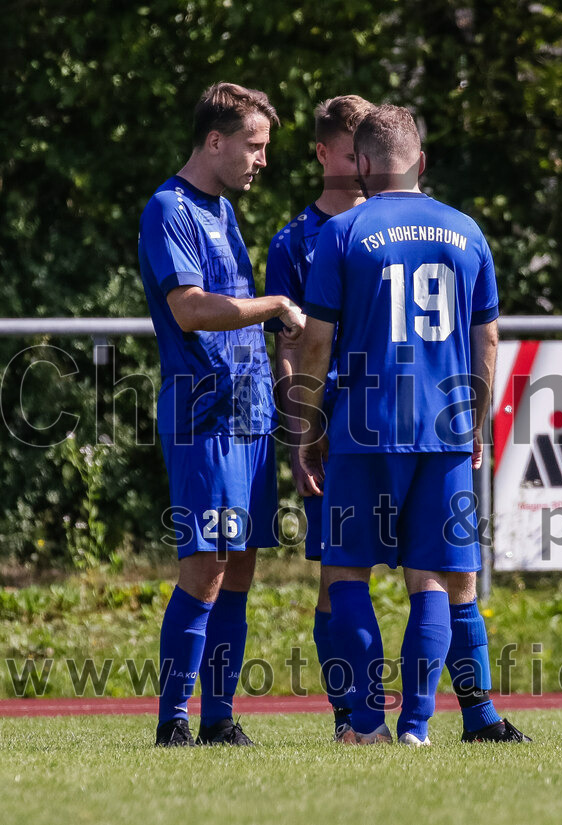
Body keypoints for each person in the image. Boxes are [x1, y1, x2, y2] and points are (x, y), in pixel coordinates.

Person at [297, 104, 529, 745]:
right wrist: (476, 421)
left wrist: (309, 427)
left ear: (362, 164)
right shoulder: (468, 232)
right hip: (444, 429)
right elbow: (487, 343)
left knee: (347, 571)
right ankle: (418, 727)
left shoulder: (339, 234)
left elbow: (316, 344)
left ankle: (365, 723)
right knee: (435, 575)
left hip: (362, 426)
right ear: (421, 161)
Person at [138, 81, 305, 747]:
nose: (261, 160)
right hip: (203, 415)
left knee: (240, 567)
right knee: (204, 565)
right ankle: (172, 719)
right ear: (216, 139)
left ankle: (219, 717)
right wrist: (275, 306)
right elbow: (191, 308)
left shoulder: (225, 212)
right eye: (254, 145)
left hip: (249, 412)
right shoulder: (168, 207)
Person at [265, 94, 375, 740]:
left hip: (394, 425)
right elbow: (287, 347)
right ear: (323, 153)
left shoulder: (396, 227)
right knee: (337, 576)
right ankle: (349, 716)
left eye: (369, 151)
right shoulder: (294, 241)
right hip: (332, 432)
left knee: (432, 572)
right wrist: (304, 428)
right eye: (349, 150)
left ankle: (444, 715)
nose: (361, 164)